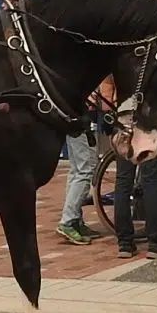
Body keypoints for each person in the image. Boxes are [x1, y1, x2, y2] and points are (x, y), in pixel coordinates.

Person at [109, 108, 157, 257]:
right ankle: (155, 243)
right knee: (152, 182)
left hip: (123, 125)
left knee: (123, 182)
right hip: (149, 125)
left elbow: (106, 97)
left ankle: (125, 244)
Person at [57, 79, 115, 245]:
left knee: (77, 170)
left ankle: (75, 219)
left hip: (76, 119)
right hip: (81, 121)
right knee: (85, 169)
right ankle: (68, 221)